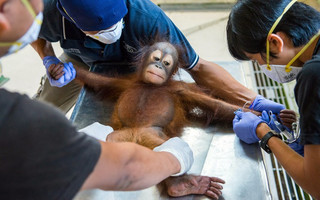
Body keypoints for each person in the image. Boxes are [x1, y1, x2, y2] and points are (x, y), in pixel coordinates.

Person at [0, 0, 224, 199]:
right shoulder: (24, 123)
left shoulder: (149, 19)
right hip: (79, 60)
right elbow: (126, 169)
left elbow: (201, 72)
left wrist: (248, 106)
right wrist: (176, 159)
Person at [31, 0, 285, 117]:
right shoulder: (50, 11)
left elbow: (199, 67)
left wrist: (253, 101)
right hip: (79, 61)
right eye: (100, 31)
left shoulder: (149, 20)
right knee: (42, 111)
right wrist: (48, 59)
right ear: (71, 19)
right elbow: (34, 33)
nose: (111, 33)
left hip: (137, 68)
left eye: (116, 24)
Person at [227, 0, 320, 198]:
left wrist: (265, 134)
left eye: (256, 60)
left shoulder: (314, 74)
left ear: (275, 43)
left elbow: (317, 186)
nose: (261, 66)